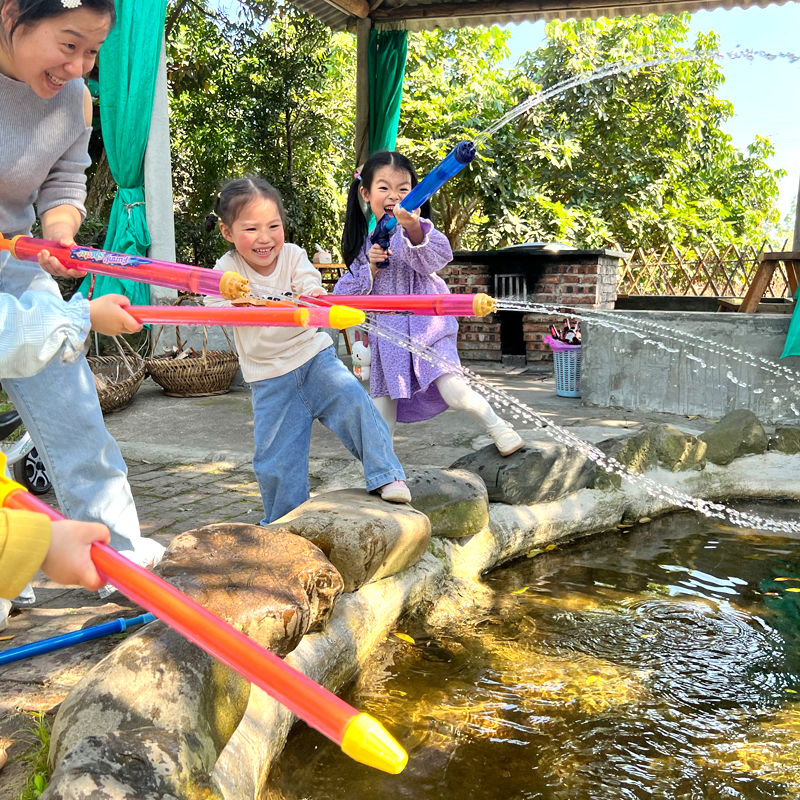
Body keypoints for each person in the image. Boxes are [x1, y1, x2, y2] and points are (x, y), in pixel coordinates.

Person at [0, 0, 164, 605]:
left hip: (16, 263)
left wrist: (60, 235)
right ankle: (7, 562)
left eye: (94, 50)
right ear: (13, 12)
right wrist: (76, 315)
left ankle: (119, 554)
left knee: (75, 413)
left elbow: (65, 182)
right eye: (69, 44)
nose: (81, 65)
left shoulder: (73, 101)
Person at [204, 176, 410, 523]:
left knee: (356, 405)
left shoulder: (292, 255)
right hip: (270, 380)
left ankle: (386, 474)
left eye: (273, 225)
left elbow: (310, 285)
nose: (265, 238)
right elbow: (211, 308)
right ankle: (285, 522)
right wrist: (233, 304)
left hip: (314, 359)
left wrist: (313, 295)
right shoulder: (226, 271)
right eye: (251, 229)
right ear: (227, 232)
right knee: (275, 459)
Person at [335, 151, 525, 456]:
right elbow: (345, 296)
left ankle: (499, 427)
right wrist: (369, 267)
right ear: (365, 193)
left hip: (428, 328)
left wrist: (412, 228)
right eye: (383, 187)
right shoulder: (364, 245)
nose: (394, 195)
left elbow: (436, 258)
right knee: (382, 408)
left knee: (453, 389)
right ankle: (384, 472)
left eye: (404, 188)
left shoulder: (420, 230)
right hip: (389, 338)